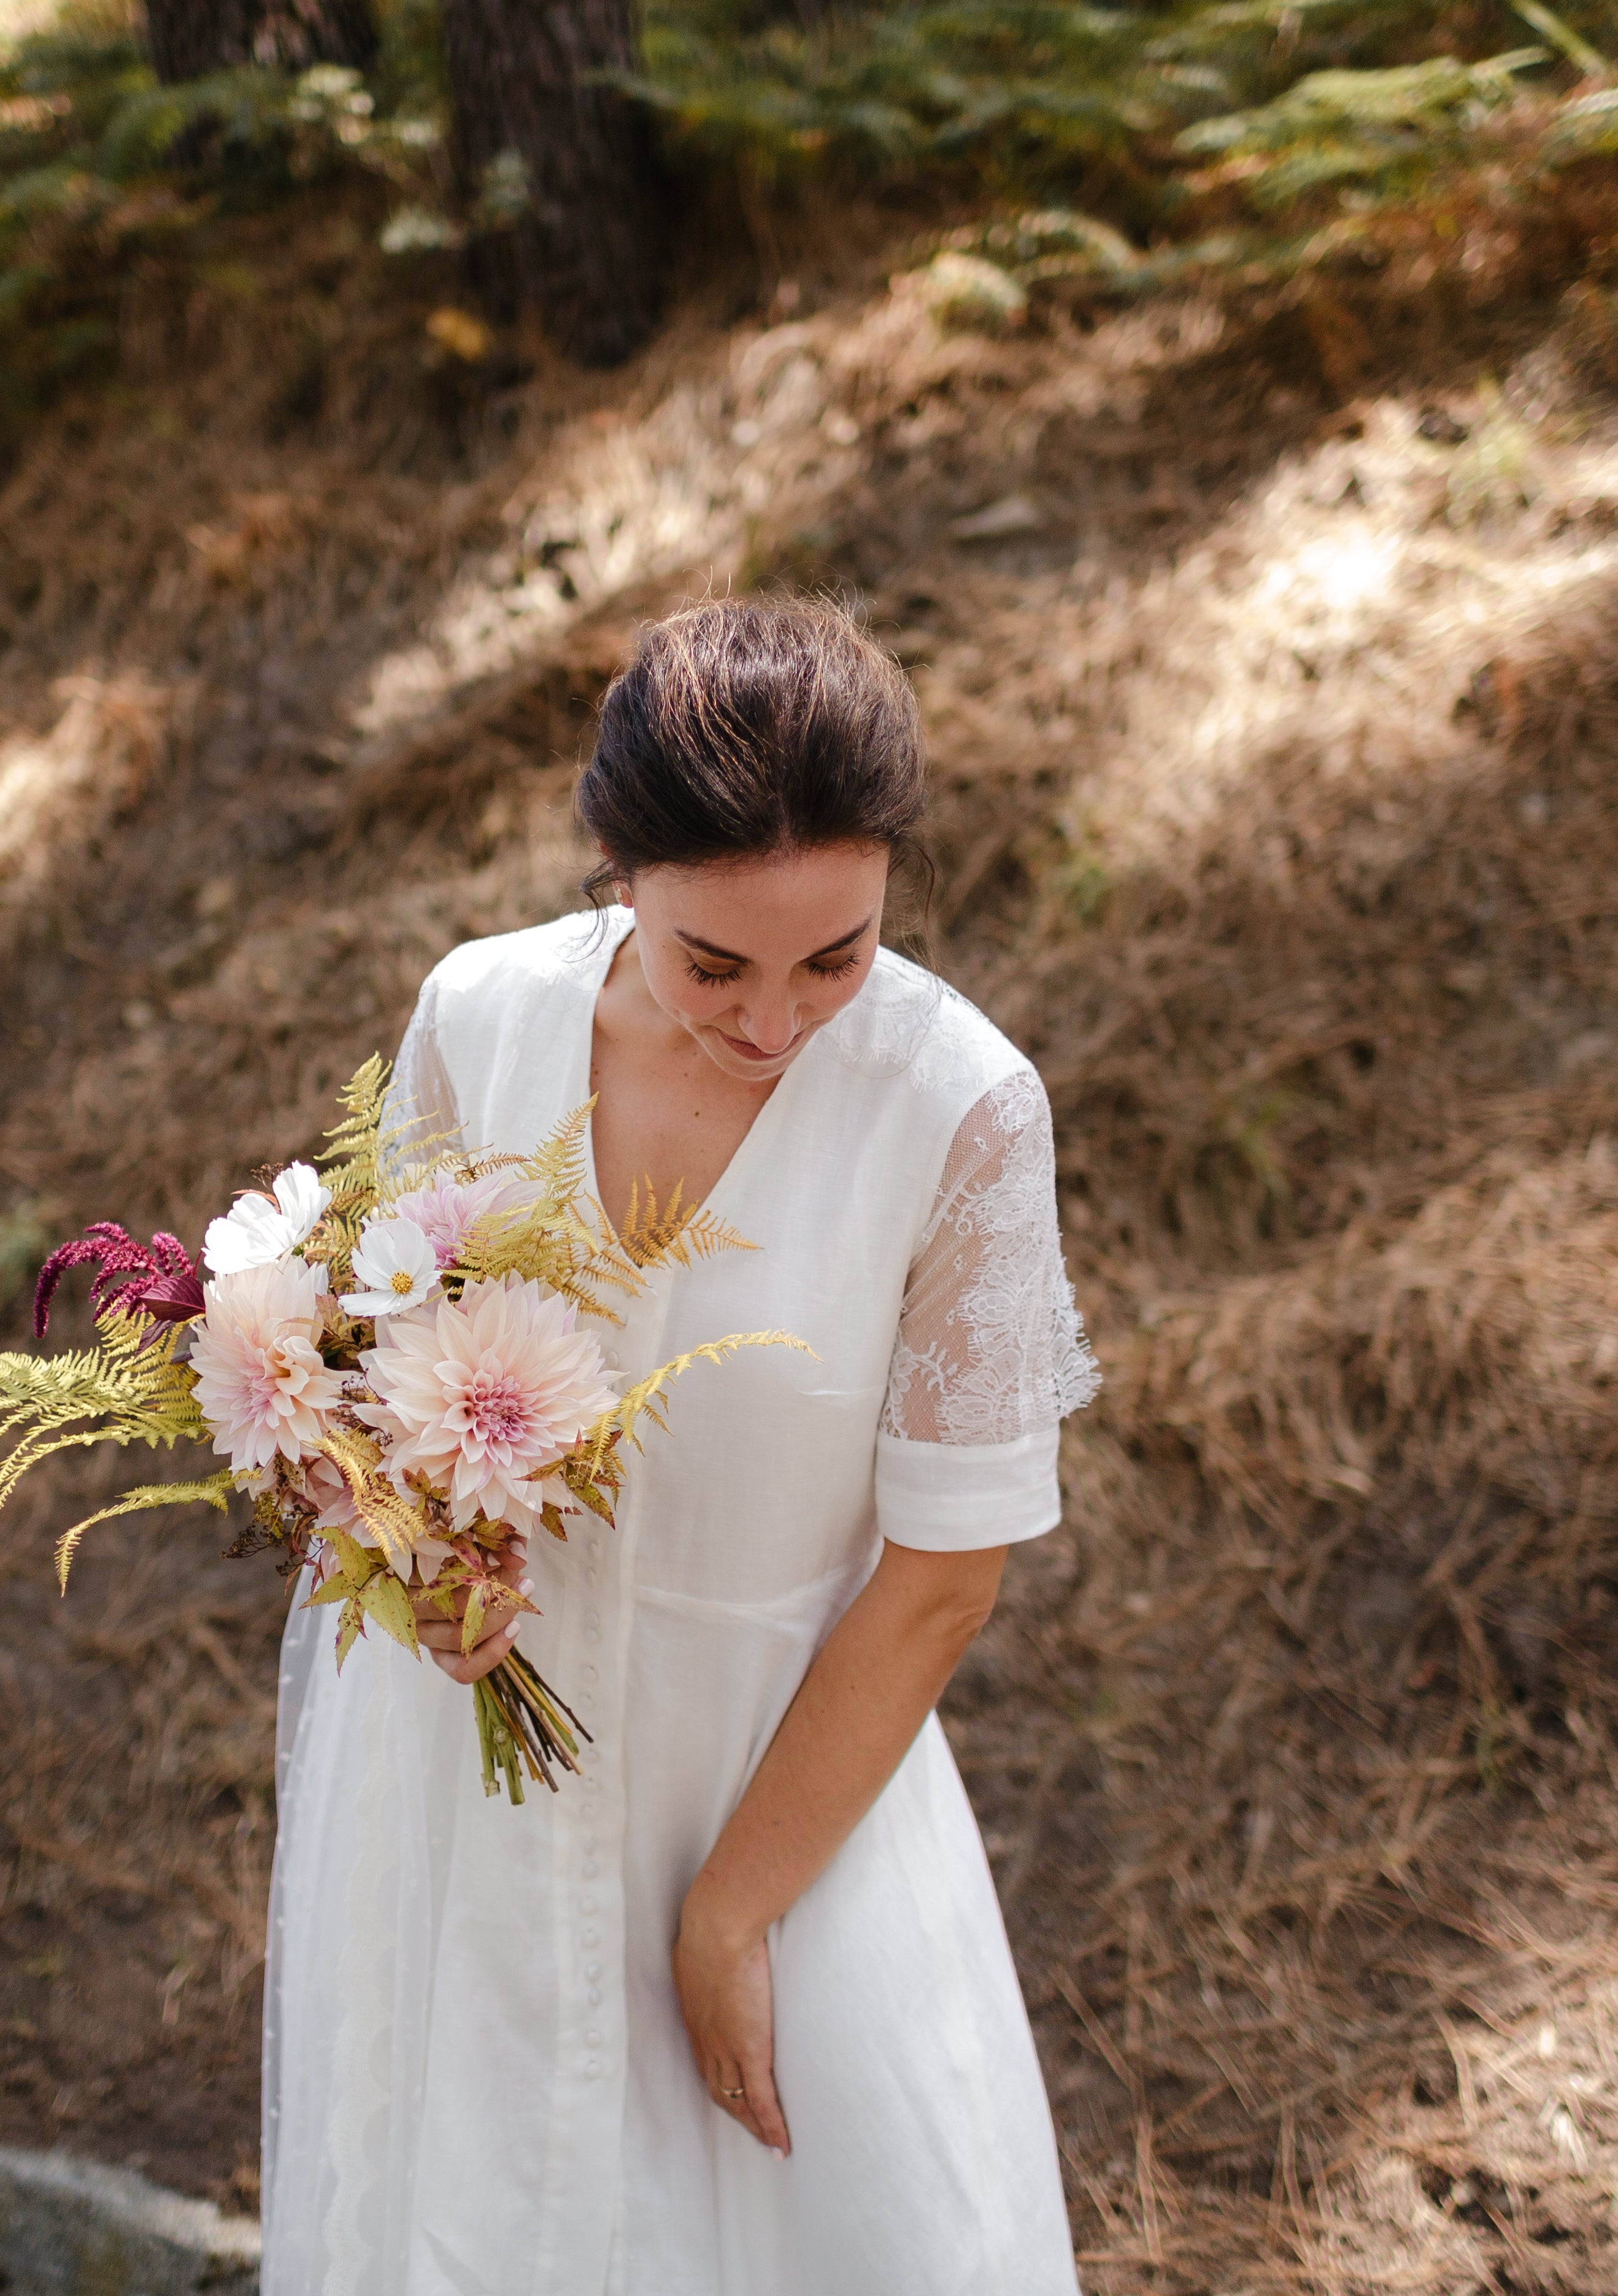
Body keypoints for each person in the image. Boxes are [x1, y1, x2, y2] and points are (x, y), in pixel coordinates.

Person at [262, 597, 1096, 2295]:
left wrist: (734, 1913)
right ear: (616, 869)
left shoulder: (964, 1111)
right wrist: (419, 1561)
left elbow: (945, 1576)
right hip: (470, 1803)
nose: (776, 1022)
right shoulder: (477, 1020)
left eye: (836, 956)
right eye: (714, 961)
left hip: (791, 1791)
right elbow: (371, 1379)